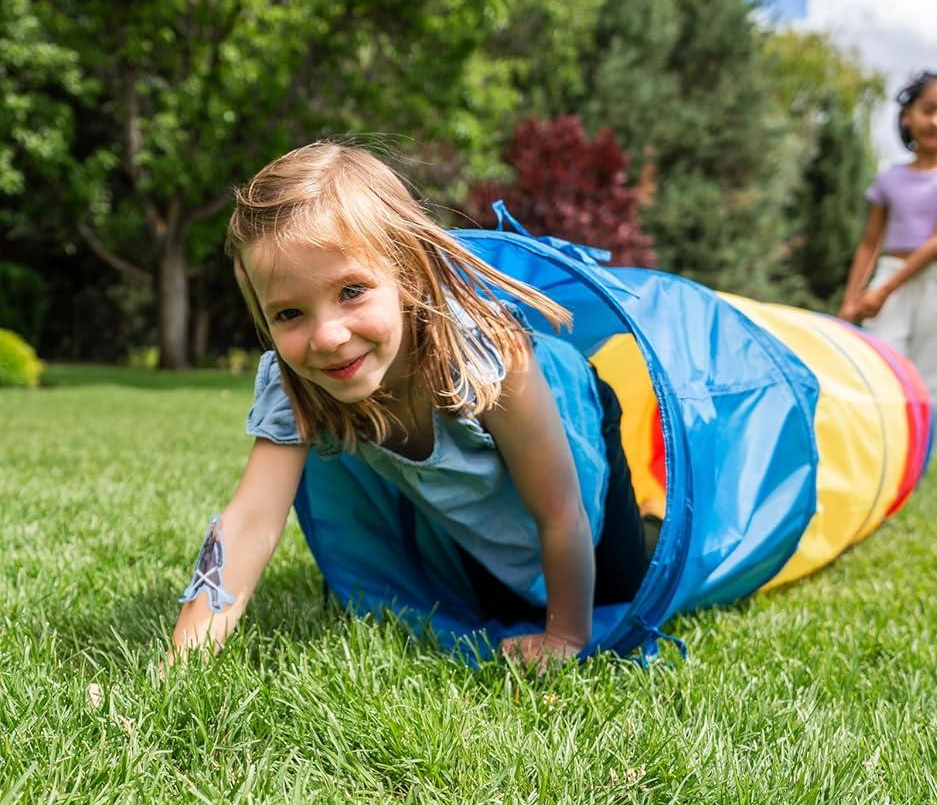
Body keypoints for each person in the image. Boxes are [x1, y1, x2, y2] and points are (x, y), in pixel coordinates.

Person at [170, 142, 651, 670]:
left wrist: (565, 636)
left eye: (351, 290)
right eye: (288, 313)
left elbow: (560, 510)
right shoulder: (294, 385)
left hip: (573, 430)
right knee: (499, 602)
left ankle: (651, 520)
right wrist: (181, 663)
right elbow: (249, 524)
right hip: (480, 508)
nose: (328, 336)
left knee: (621, 583)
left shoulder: (486, 353)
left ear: (408, 272)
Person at [838, 72, 937, 427]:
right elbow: (870, 242)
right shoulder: (888, 178)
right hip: (889, 273)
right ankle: (881, 453)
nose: (936, 120)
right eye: (928, 110)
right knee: (876, 365)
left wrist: (882, 292)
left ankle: (917, 467)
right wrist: (851, 300)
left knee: (933, 377)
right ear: (907, 115)